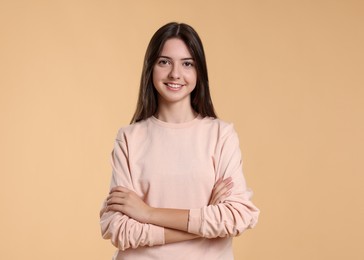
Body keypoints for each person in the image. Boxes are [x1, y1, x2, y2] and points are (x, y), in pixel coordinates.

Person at [99, 22, 259, 260]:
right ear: (151, 68)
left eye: (187, 64)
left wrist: (148, 213)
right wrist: (204, 220)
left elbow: (237, 216)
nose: (175, 73)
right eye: (164, 62)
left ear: (199, 71)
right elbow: (118, 229)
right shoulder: (129, 138)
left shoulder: (221, 135)